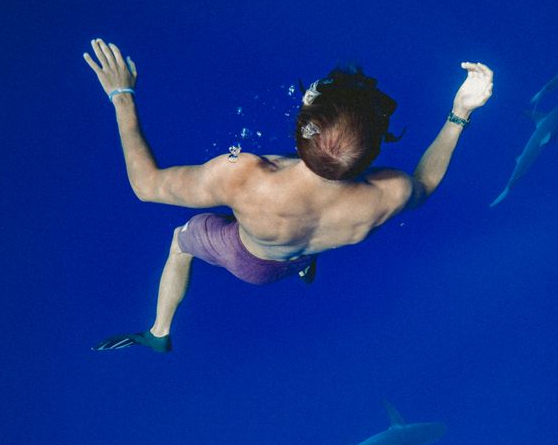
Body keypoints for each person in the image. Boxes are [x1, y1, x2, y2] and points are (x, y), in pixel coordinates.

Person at [83, 38, 493, 353]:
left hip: (251, 261)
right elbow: (426, 183)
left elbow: (146, 186)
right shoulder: (388, 193)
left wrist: (122, 96)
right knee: (305, 247)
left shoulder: (244, 175)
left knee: (179, 241)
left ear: (303, 125)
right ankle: (302, 266)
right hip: (309, 247)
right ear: (372, 152)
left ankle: (159, 333)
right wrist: (461, 111)